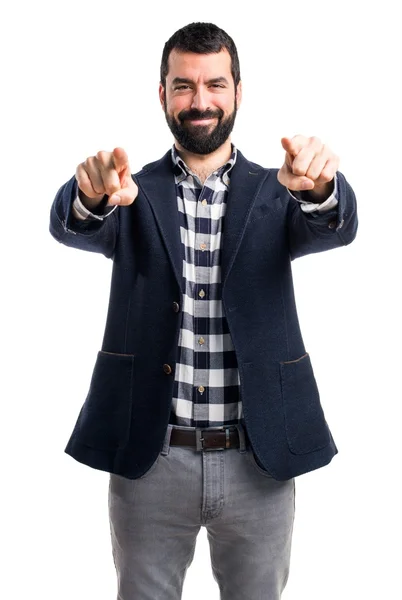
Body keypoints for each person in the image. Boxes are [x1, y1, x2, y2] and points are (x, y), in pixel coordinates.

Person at [49, 21, 358, 600]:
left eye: (214, 84)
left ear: (238, 91)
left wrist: (319, 189)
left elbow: (333, 226)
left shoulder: (277, 190)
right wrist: (88, 195)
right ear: (162, 93)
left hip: (257, 459)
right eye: (183, 85)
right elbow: (76, 223)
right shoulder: (129, 191)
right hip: (152, 459)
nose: (200, 101)